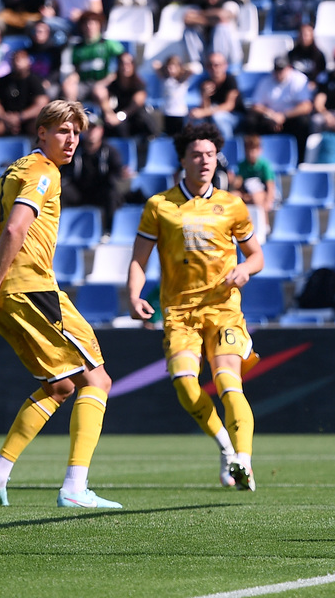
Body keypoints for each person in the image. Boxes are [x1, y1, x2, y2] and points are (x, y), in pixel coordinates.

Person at [0, 100, 120, 510]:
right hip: (32, 290)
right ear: (41, 132)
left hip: (4, 298)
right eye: (62, 131)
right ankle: (75, 486)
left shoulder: (7, 175)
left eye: (76, 132)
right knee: (99, 381)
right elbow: (16, 228)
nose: (71, 140)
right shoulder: (43, 173)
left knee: (60, 386)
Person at [127, 121, 265, 490]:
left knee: (227, 382)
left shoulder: (232, 205)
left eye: (210, 155)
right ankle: (225, 448)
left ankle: (245, 462)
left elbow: (256, 257)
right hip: (179, 313)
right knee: (186, 385)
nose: (205, 161)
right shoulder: (160, 206)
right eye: (197, 155)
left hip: (223, 309)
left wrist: (243, 270)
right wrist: (134, 295)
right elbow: (139, 259)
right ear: (183, 160)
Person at [60, 113, 128, 236]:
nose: (91, 132)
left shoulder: (110, 151)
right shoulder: (74, 150)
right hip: (79, 191)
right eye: (87, 128)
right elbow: (64, 171)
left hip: (100, 192)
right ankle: (57, 229)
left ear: (101, 130)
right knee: (59, 191)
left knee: (112, 194)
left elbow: (117, 173)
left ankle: (109, 231)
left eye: (94, 128)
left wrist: (122, 174)